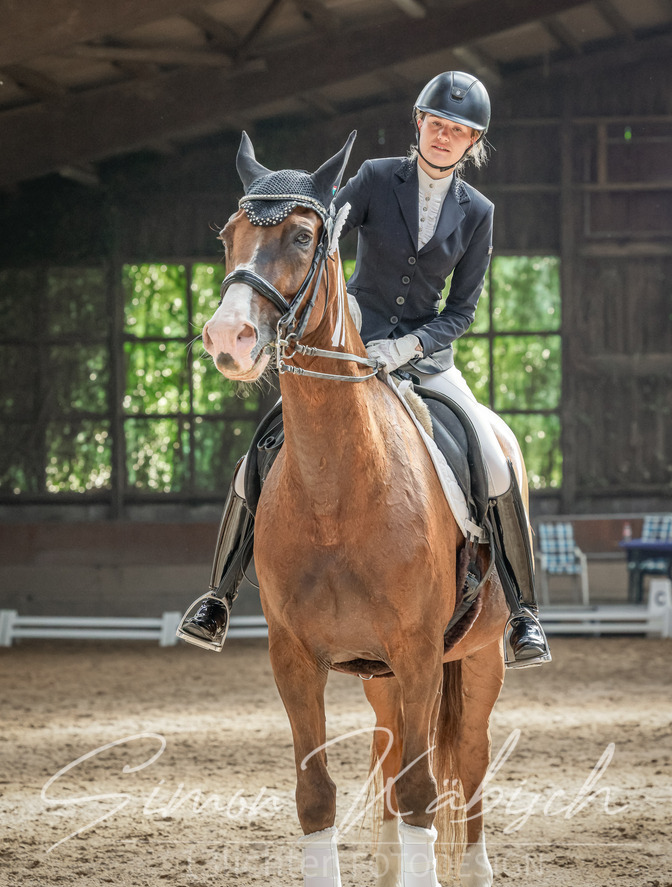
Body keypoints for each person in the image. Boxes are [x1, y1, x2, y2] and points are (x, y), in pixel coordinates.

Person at [177, 71, 551, 668]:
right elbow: (322, 230)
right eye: (437, 125)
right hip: (349, 349)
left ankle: (525, 613)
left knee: (494, 458)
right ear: (419, 123)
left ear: (472, 141)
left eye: (458, 132)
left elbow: (462, 310)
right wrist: (335, 303)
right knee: (260, 454)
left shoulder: (478, 211)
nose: (444, 137)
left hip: (425, 363)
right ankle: (218, 597)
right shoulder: (378, 177)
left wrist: (408, 351)